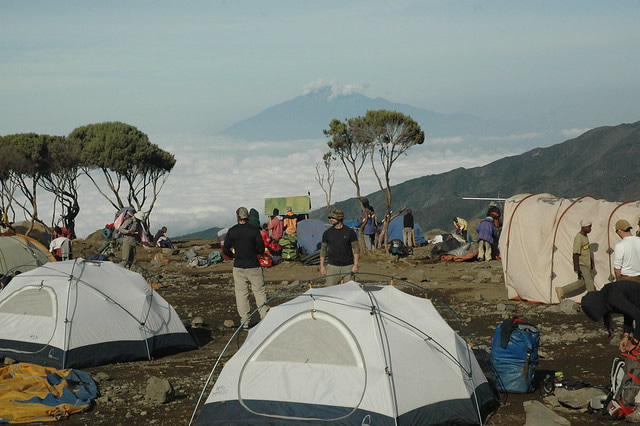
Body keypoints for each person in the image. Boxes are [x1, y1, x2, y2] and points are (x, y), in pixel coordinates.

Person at [223, 207, 268, 329]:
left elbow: (225, 249)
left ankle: (245, 321)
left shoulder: (232, 231)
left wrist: (233, 255)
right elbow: (261, 249)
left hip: (238, 266)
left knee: (241, 294)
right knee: (259, 291)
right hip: (253, 265)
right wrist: (254, 252)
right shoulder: (254, 230)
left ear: (237, 217)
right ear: (247, 216)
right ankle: (264, 317)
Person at [582, 281, 640, 352]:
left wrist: (634, 341)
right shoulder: (605, 294)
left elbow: (638, 315)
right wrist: (626, 335)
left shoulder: (613, 298)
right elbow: (628, 312)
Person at [555, 220, 595, 300]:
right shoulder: (579, 238)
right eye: (589, 227)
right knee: (589, 282)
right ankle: (593, 300)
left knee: (581, 282)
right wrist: (576, 267)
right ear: (584, 227)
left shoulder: (585, 236)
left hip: (586, 264)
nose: (590, 229)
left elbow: (586, 251)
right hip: (582, 264)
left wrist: (591, 262)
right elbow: (575, 254)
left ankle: (562, 290)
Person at [320, 209, 360, 286]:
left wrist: (355, 264)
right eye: (330, 218)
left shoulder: (350, 232)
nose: (330, 219)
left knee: (350, 290)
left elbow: (355, 248)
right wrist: (322, 266)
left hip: (348, 266)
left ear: (339, 218)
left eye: (333, 218)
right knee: (331, 291)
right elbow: (323, 250)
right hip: (332, 267)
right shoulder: (327, 233)